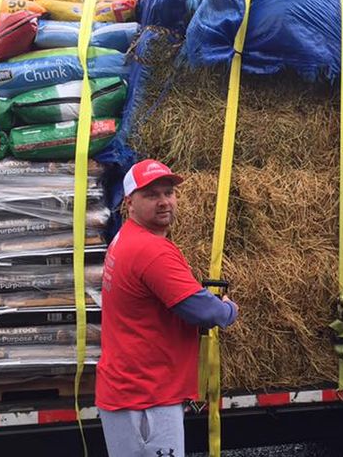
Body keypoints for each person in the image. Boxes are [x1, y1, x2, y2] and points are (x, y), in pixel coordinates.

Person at [97, 159, 239, 457]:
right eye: (151, 195)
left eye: (169, 192)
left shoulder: (125, 238)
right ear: (129, 203)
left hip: (129, 389)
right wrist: (228, 310)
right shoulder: (151, 250)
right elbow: (203, 311)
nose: (164, 202)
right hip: (147, 396)